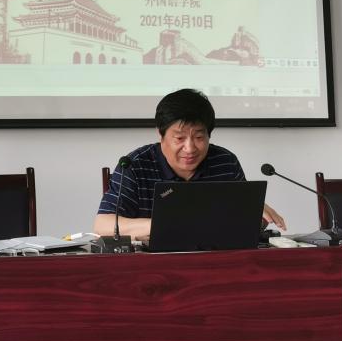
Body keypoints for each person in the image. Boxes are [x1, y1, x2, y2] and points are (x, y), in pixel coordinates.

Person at [94, 88, 286, 239]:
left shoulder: (225, 163)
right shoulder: (135, 166)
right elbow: (103, 225)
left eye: (199, 137)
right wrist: (167, 225)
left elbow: (239, 221)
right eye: (179, 138)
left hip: (215, 261)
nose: (190, 148)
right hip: (152, 266)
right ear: (160, 134)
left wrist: (253, 210)